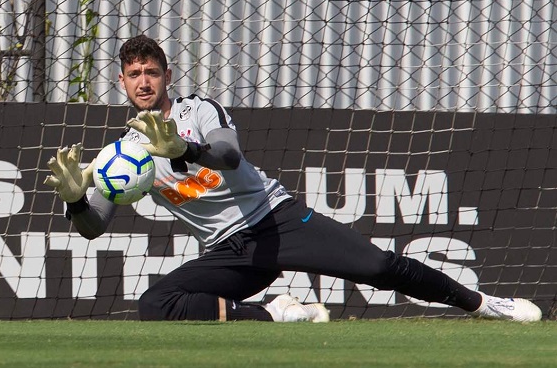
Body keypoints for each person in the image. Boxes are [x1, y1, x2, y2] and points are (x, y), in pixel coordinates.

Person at [44, 34, 542, 323]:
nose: (144, 82)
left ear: (168, 75)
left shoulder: (198, 110)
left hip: (277, 222)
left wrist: (184, 149)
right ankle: (276, 313)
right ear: (122, 83)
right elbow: (94, 227)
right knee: (155, 304)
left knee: (378, 266)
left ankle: (482, 303)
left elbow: (231, 156)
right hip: (226, 251)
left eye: (151, 71)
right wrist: (73, 200)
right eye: (134, 75)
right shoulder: (120, 155)